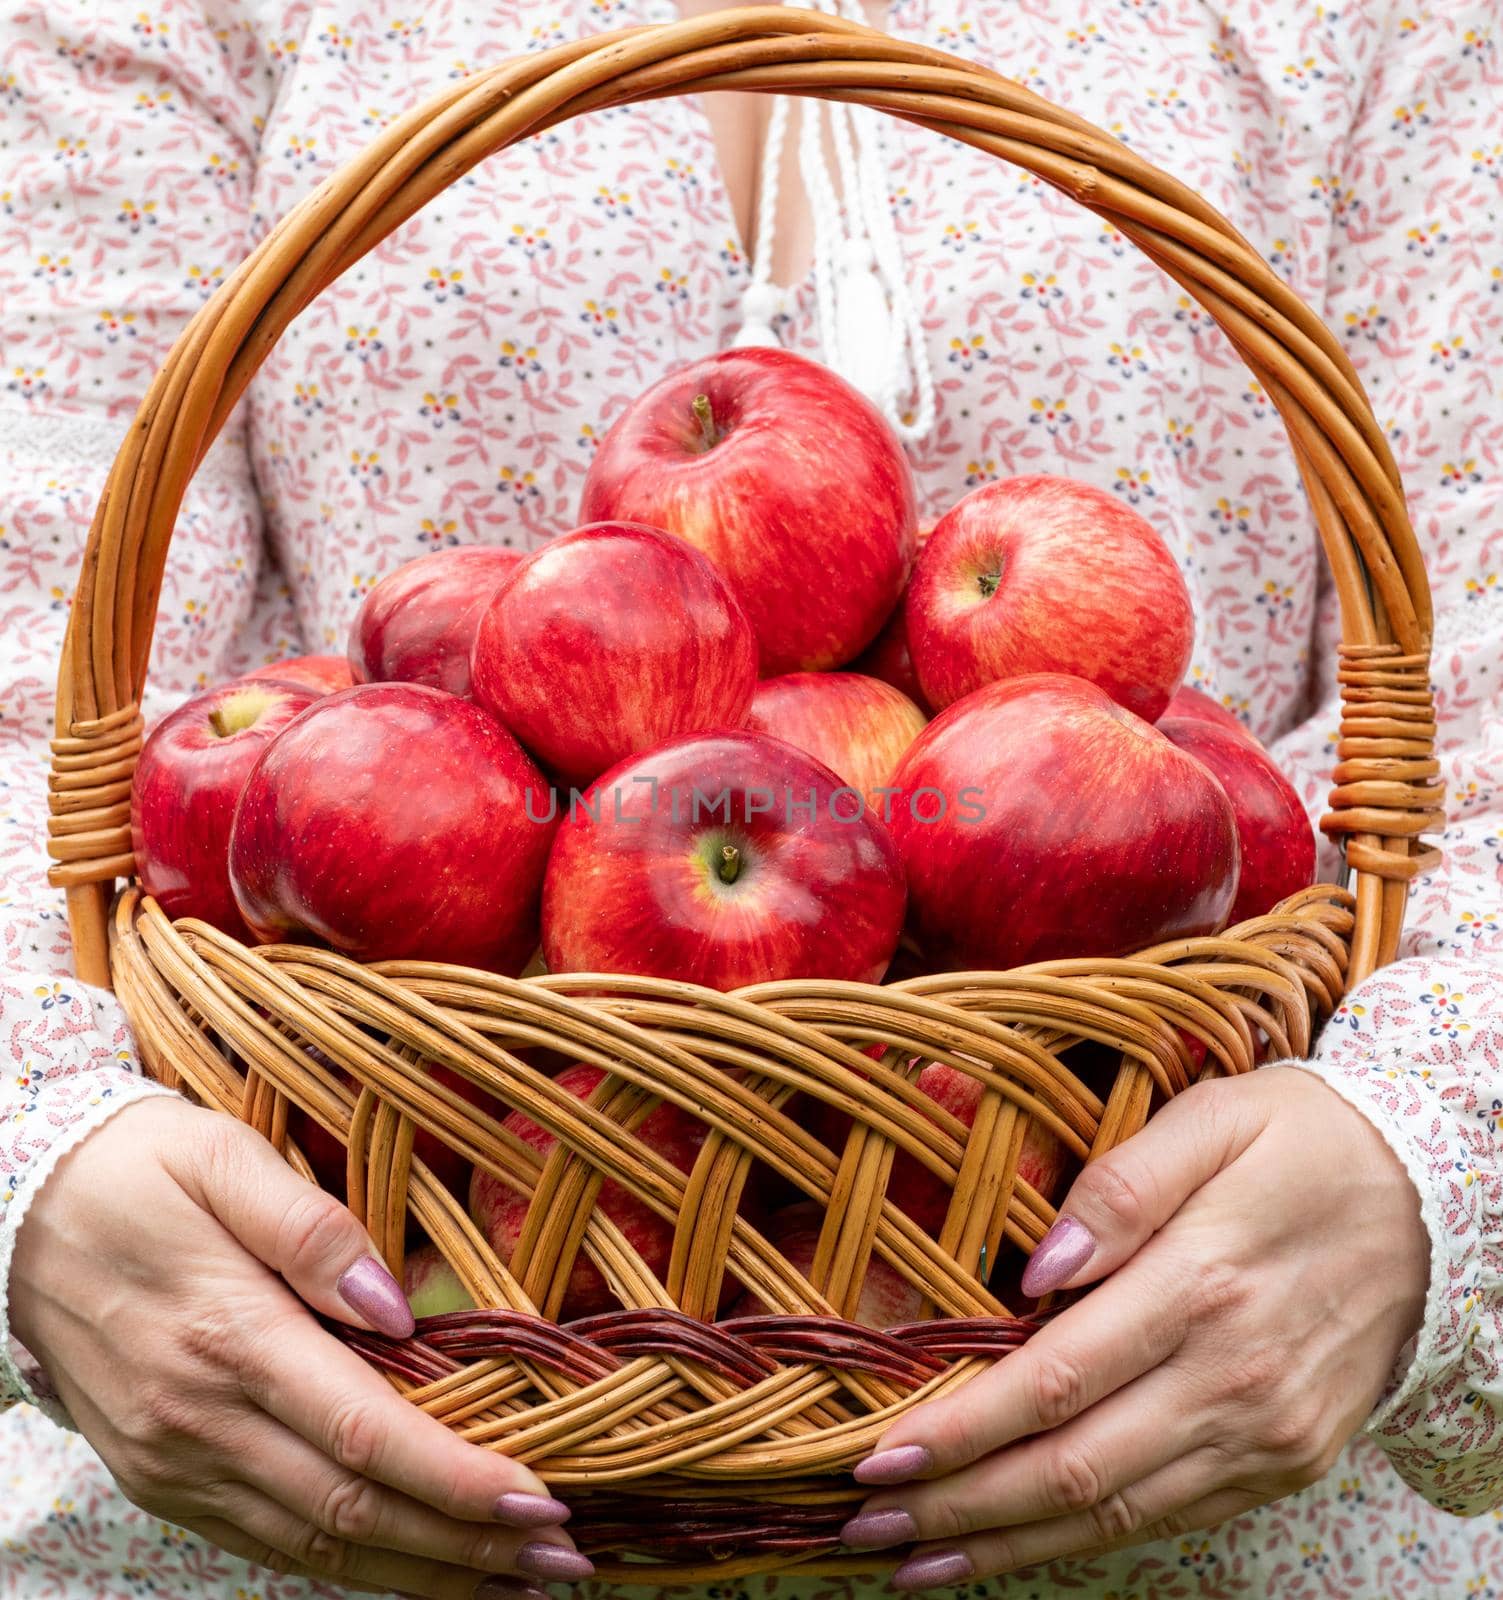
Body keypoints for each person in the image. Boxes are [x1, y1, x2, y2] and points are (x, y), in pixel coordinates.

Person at [2, 1, 1501, 1597]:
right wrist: (37, 1169)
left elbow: (1464, 712)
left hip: (1197, 1492)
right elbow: (49, 692)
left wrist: (1429, 1170)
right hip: (364, 1378)